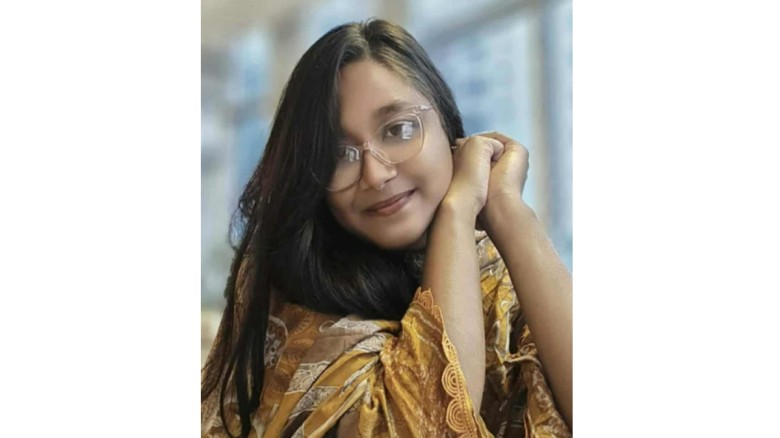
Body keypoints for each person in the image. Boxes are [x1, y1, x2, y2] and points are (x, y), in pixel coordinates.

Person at [202, 18, 572, 438]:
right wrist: (455, 213)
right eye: (338, 154)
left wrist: (508, 211)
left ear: (448, 129)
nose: (375, 174)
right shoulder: (289, 300)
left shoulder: (494, 270)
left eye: (398, 130)